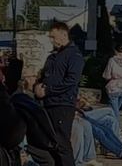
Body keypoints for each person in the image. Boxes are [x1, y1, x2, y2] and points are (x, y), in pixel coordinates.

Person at [34, 22, 85, 166]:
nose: (51, 40)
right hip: (47, 104)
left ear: (64, 34)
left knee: (61, 143)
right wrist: (37, 86)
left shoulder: (74, 55)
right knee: (49, 142)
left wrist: (48, 90)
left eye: (53, 37)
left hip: (62, 104)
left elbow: (71, 81)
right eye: (50, 37)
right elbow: (43, 76)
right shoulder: (53, 56)